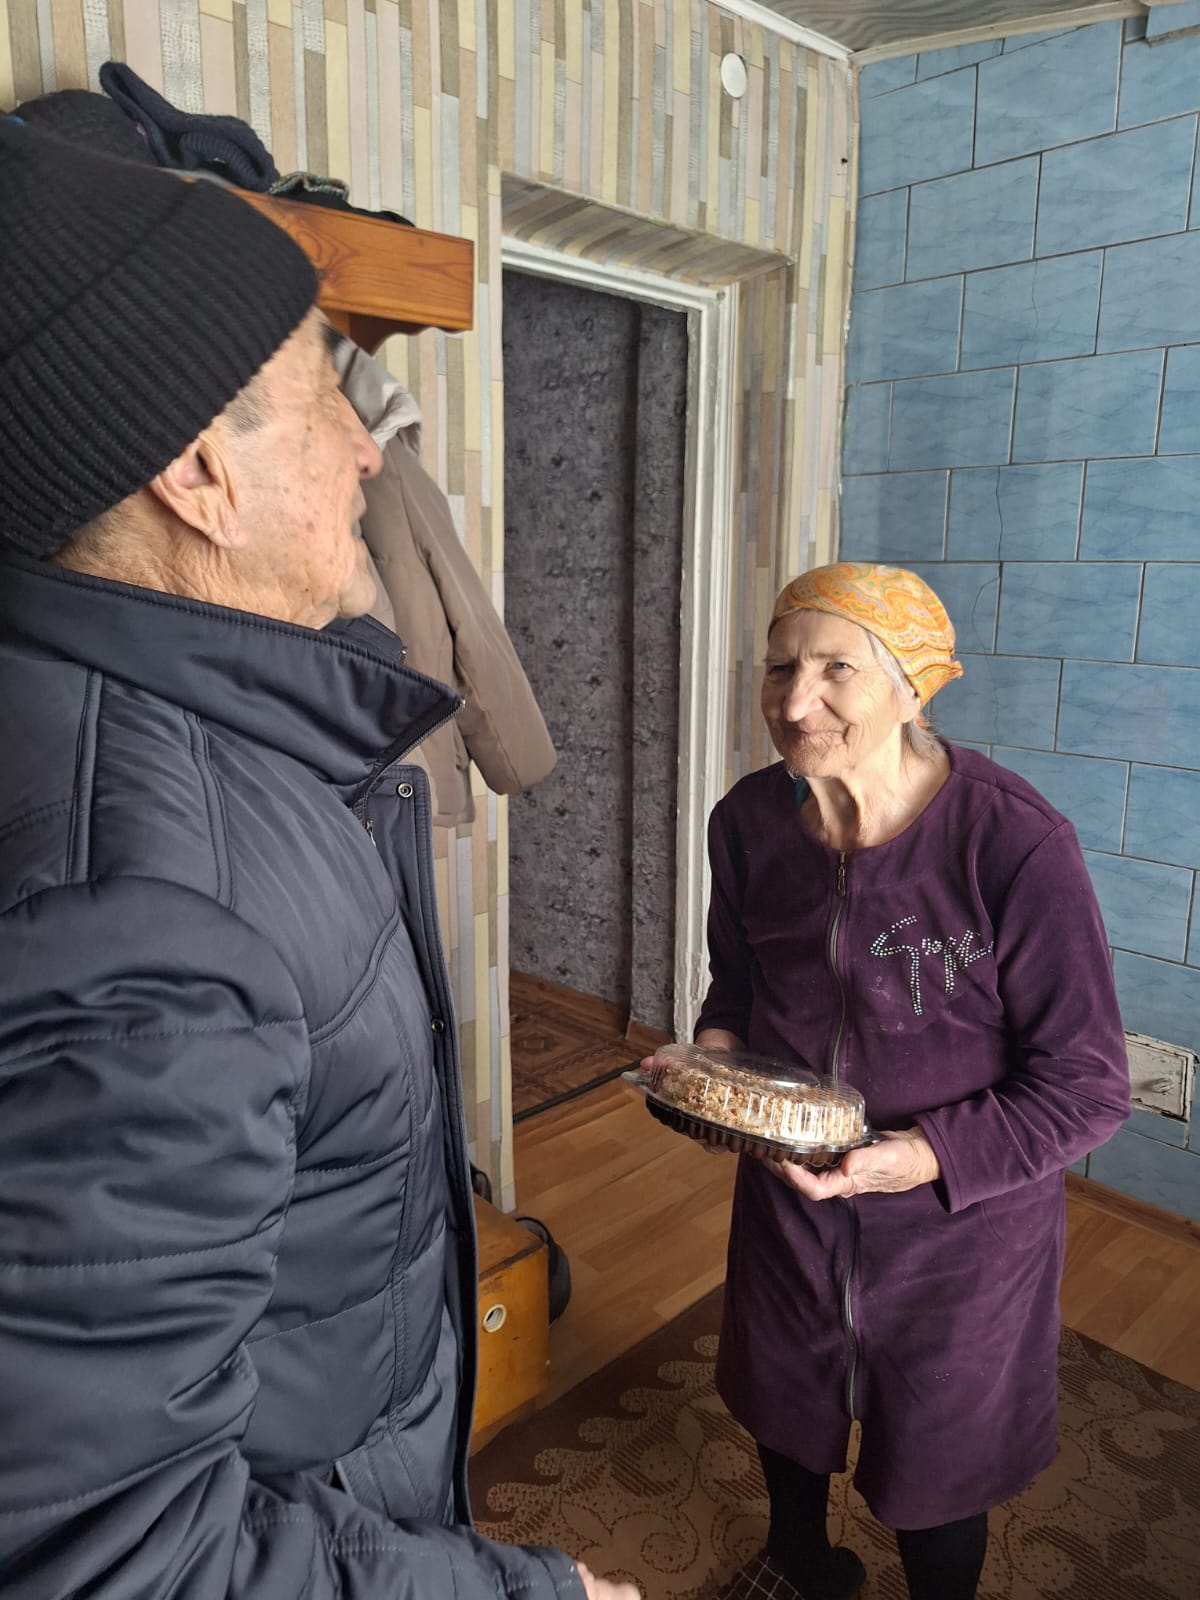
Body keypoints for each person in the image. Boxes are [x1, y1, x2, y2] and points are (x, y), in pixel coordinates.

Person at [0, 120, 637, 1600]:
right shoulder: (145, 928)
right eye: (320, 399)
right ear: (198, 476)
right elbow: (123, 1557)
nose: (368, 445)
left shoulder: (183, 715)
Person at [684, 563, 1131, 1600]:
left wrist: (922, 1157)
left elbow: (1088, 1084)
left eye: (835, 669)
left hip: (956, 1226)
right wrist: (713, 1062)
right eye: (779, 668)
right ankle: (799, 1565)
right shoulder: (747, 824)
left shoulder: (1013, 844)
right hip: (790, 1194)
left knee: (938, 1461)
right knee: (784, 1401)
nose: (796, 702)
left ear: (912, 687)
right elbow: (737, 985)